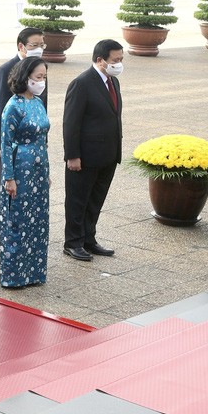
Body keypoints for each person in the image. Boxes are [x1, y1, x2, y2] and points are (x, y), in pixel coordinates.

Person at [62, 39, 123, 262]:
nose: (119, 64)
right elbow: (71, 123)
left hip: (107, 154)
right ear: (100, 60)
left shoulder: (113, 81)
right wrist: (72, 155)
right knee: (78, 201)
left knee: (95, 200)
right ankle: (73, 242)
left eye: (121, 59)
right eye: (115, 60)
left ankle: (89, 238)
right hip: (85, 157)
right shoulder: (82, 83)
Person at [0, 56, 50, 288]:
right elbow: (6, 144)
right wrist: (9, 177)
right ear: (25, 78)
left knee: (37, 221)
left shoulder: (38, 103)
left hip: (39, 169)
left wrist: (46, 172)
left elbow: (44, 138)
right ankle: (14, 275)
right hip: (20, 169)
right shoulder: (13, 106)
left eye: (44, 77)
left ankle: (35, 272)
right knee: (17, 221)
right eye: (38, 77)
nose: (42, 81)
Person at [0, 27, 48, 148]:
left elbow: (43, 104)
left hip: (36, 141)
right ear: (21, 46)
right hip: (14, 142)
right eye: (34, 45)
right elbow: (0, 108)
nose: (38, 49)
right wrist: (4, 145)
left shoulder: (41, 68)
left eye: (42, 45)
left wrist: (44, 137)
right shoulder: (5, 70)